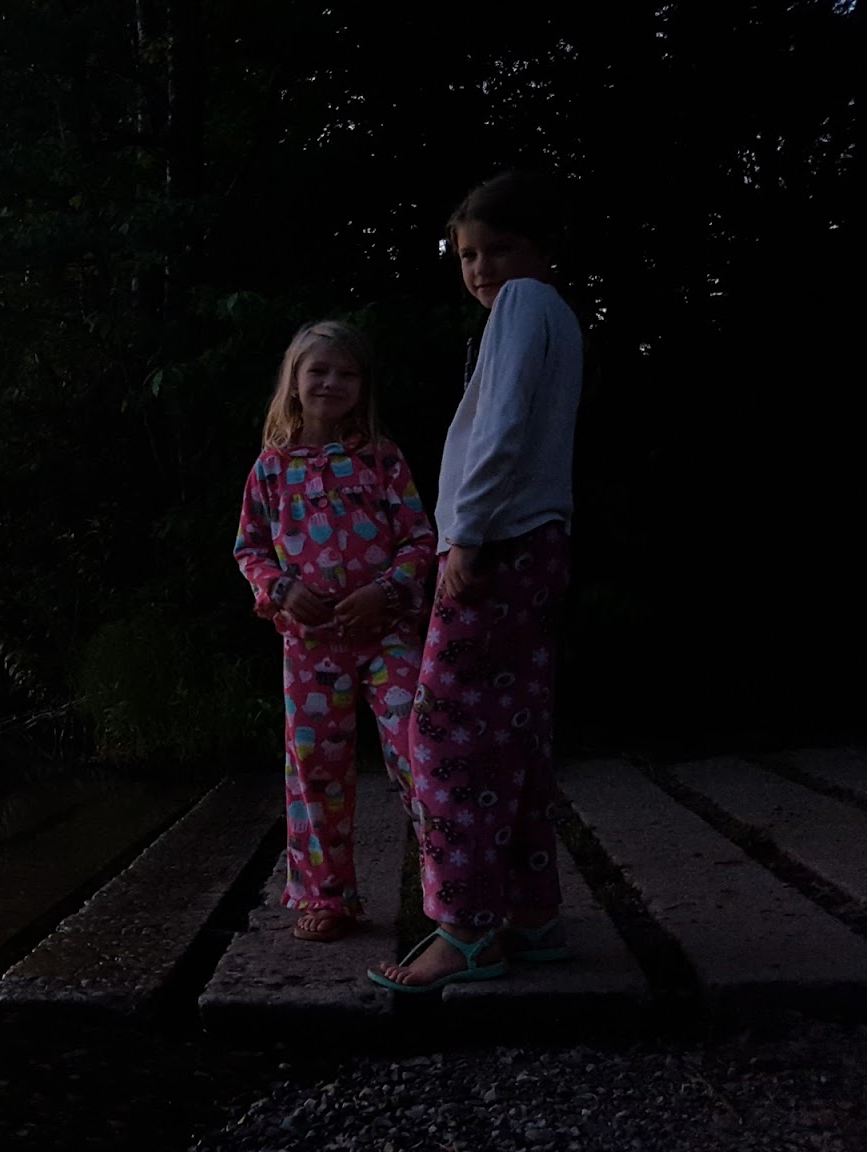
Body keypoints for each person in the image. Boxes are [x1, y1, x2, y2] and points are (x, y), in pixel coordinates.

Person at [370, 171, 583, 992]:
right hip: (538, 540)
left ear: (542, 249)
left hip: (499, 542)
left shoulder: (522, 305)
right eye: (467, 254)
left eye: (500, 248)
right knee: (514, 730)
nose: (482, 267)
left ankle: (465, 930)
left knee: (445, 734)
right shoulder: (553, 314)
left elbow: (501, 429)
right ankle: (530, 914)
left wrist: (464, 535)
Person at [235, 320, 436, 942]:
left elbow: (420, 539)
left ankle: (455, 887)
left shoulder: (381, 457)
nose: (331, 382)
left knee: (420, 748)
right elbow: (249, 549)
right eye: (318, 371)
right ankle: (326, 896)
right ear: (294, 382)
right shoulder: (271, 468)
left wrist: (387, 591)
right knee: (315, 768)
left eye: (347, 373)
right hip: (311, 646)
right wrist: (281, 589)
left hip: (388, 635)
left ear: (363, 385)